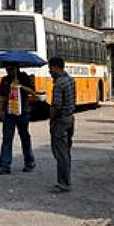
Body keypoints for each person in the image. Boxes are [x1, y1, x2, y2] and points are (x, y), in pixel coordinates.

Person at [0, 65, 36, 175]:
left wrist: (20, 86)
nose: (8, 70)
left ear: (16, 68)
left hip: (23, 112)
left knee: (24, 137)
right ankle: (5, 165)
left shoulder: (24, 77)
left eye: (10, 68)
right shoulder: (5, 80)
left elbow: (32, 92)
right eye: (7, 68)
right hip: (9, 113)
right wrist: (1, 110)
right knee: (7, 138)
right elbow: (3, 96)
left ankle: (29, 161)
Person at [48, 56, 76, 193]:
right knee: (66, 151)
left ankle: (64, 183)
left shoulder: (59, 83)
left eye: (50, 68)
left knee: (60, 152)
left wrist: (52, 120)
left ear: (55, 67)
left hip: (61, 121)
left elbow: (57, 106)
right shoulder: (70, 80)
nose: (49, 71)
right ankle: (66, 180)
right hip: (70, 118)